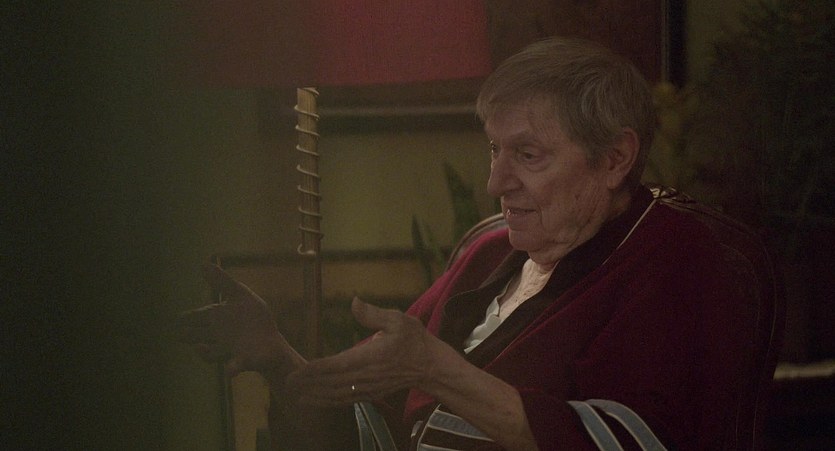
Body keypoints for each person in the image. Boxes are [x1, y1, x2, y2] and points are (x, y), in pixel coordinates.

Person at [178, 37, 780, 450]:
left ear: (616, 158)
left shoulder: (677, 260)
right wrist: (277, 356)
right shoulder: (489, 252)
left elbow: (637, 440)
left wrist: (438, 370)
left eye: (528, 154)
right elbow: (372, 422)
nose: (496, 182)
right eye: (495, 149)